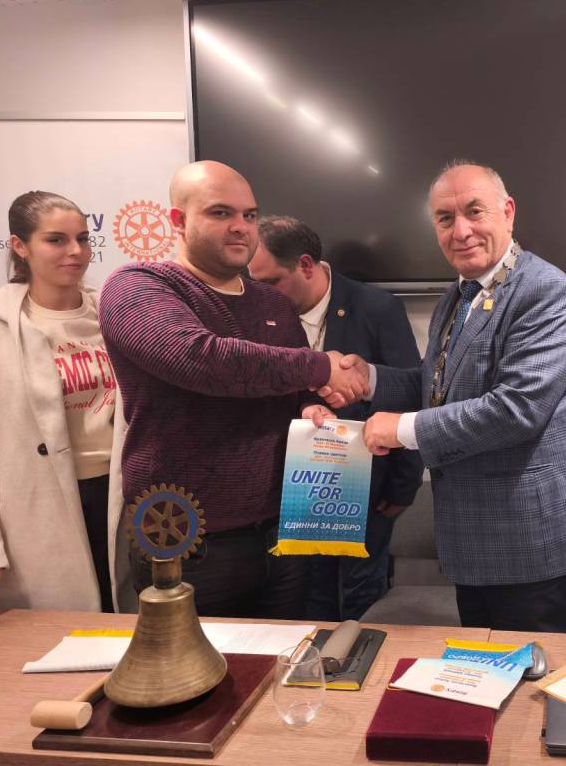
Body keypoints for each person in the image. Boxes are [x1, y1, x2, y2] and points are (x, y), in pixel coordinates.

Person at [330, 161, 566, 633]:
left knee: (540, 674)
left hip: (530, 542)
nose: (460, 231)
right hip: (473, 541)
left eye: (474, 212)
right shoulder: (457, 296)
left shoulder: (544, 290)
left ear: (508, 212)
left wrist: (402, 429)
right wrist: (368, 378)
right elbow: (437, 385)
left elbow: (517, 409)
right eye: (445, 218)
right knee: (484, 669)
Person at [98, 161, 367, 619]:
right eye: (220, 213)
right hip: (184, 538)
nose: (241, 227)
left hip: (281, 532)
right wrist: (321, 365)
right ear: (178, 220)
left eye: (250, 215)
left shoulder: (272, 302)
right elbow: (201, 360)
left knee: (285, 656)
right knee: (192, 664)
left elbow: (290, 388)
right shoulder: (137, 287)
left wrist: (311, 407)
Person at [250, 216, 424, 620]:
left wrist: (403, 488)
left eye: (271, 282)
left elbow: (411, 394)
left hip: (367, 493)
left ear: (306, 266)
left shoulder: (377, 308)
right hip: (294, 494)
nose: (262, 294)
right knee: (308, 600)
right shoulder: (260, 314)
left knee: (364, 603)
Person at [0, 191, 133, 612]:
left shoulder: (113, 316)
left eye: (83, 239)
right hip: (39, 505)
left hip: (120, 494)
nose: (75, 251)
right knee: (61, 629)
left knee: (131, 619)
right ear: (20, 246)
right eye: (56, 240)